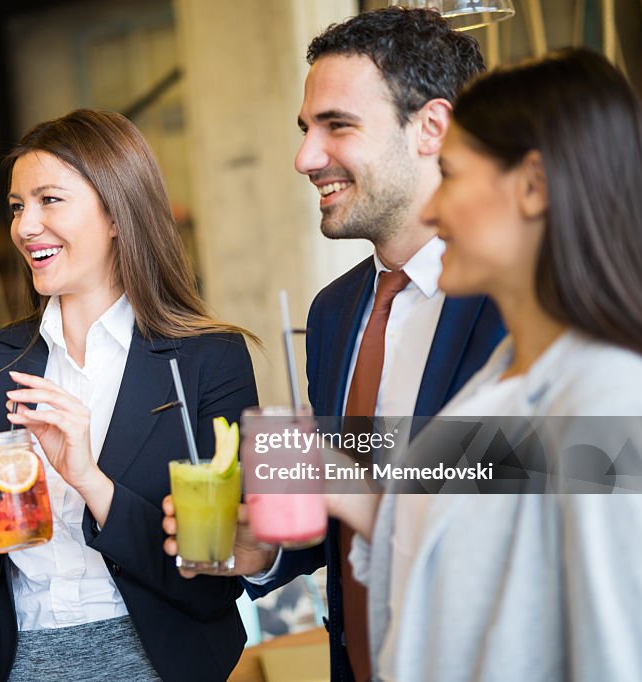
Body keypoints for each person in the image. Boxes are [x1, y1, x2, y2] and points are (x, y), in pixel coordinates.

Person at [165, 9, 504, 682]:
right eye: (305, 130)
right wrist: (265, 550)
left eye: (337, 126)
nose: (305, 158)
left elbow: (572, 476)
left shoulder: (517, 299)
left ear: (431, 129)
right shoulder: (334, 313)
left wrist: (347, 483)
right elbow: (342, 513)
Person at [328, 47, 642, 681]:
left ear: (532, 186)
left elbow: (622, 655)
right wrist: (336, 482)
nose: (430, 209)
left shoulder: (609, 395)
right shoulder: (507, 374)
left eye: (450, 174)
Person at [0, 109, 258, 682]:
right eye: (16, 207)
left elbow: (214, 581)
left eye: (49, 200)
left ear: (116, 213)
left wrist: (89, 478)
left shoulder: (209, 360)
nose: (25, 226)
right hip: (19, 664)